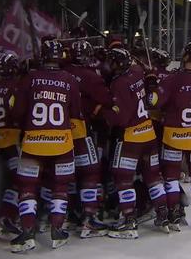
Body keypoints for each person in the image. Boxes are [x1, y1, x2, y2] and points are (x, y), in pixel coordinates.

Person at [10, 39, 83, 252]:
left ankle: (27, 233)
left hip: (34, 143)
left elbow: (17, 112)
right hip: (62, 143)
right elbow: (77, 112)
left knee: (27, 188)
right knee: (60, 187)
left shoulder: (29, 79)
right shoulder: (70, 79)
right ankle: (57, 231)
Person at [101, 47, 170, 238]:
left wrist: (104, 113)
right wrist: (150, 77)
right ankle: (163, 214)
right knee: (154, 177)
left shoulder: (119, 83)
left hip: (130, 138)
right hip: (148, 134)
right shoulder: (137, 74)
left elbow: (121, 118)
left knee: (123, 179)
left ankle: (129, 221)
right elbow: (147, 84)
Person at [150, 42, 191, 230]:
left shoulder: (172, 79)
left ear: (185, 56)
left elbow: (153, 102)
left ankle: (174, 212)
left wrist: (153, 84)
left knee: (171, 176)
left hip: (174, 136)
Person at [63, 40, 113, 238]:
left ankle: (68, 214)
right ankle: (88, 218)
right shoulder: (91, 77)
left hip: (56, 134)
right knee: (91, 172)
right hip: (81, 131)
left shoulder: (62, 71)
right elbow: (108, 100)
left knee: (64, 175)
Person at [0, 53, 23, 241]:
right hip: (12, 138)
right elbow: (18, 111)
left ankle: (9, 216)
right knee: (21, 179)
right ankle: (6, 217)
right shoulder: (15, 87)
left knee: (17, 180)